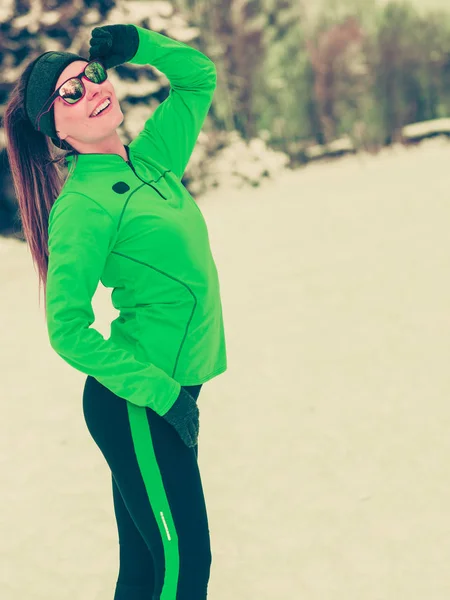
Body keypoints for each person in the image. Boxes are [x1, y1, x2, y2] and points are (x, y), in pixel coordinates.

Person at [3, 23, 227, 600]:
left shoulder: (151, 162)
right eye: (69, 94)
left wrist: (140, 46)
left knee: (145, 570)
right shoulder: (81, 204)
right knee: (184, 564)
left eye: (91, 76)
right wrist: (161, 392)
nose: (91, 90)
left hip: (168, 393)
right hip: (138, 402)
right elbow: (67, 329)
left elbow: (198, 78)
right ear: (54, 130)